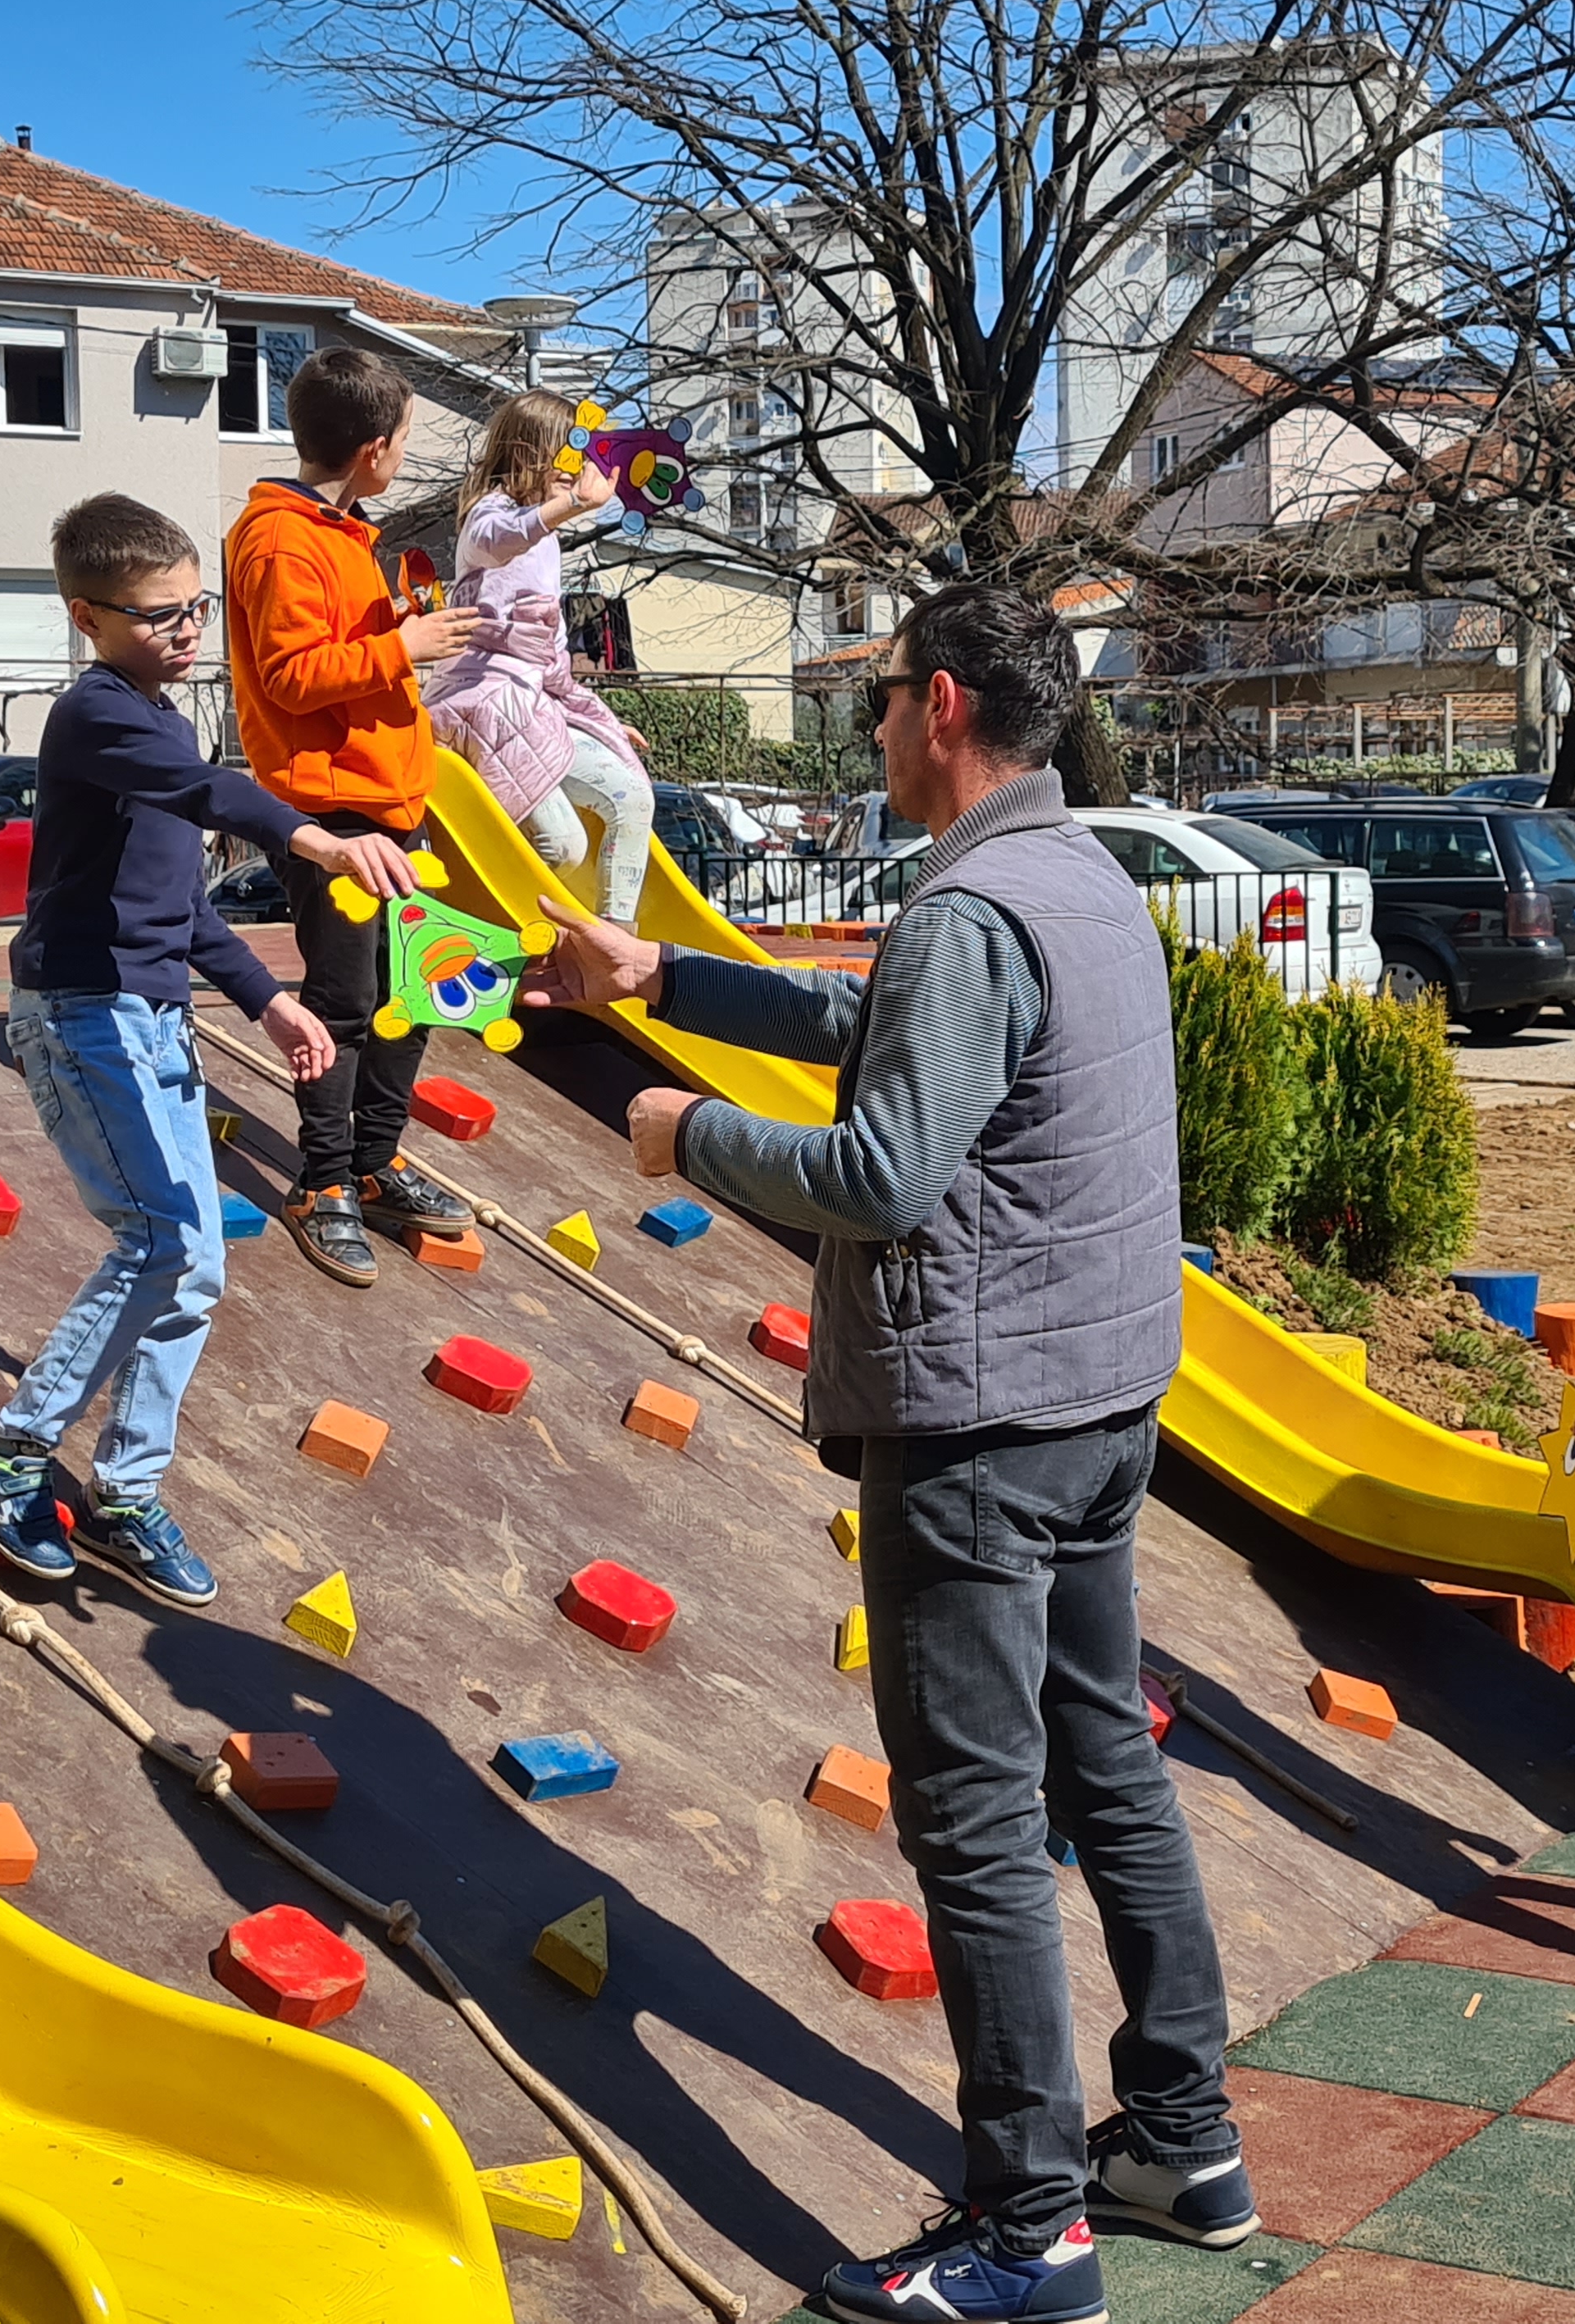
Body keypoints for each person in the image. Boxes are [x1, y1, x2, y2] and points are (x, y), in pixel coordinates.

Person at [521, 584, 1251, 2324]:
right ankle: (1184, 2139)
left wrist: (687, 1130)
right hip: (1098, 1404)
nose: (868, 737)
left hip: (979, 1428)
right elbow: (902, 1039)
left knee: (977, 1818)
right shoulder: (1078, 877)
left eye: (874, 706)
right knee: (1103, 1761)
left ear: (938, 706)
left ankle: (1029, 2229)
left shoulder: (967, 906)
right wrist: (665, 974)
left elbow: (881, 1172)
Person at [0, 492, 413, 1606]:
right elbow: (215, 792)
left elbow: (181, 905)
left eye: (196, 609)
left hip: (154, 1016)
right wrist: (313, 839)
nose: (187, 631)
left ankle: (123, 1493)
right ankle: (11, 1452)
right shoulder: (97, 716)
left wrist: (269, 1003)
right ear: (88, 617)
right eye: (159, 616)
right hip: (84, 1013)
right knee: (158, 1239)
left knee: (195, 1263)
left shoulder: (160, 724)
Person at [223, 347, 485, 1287]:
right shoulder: (278, 539)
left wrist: (398, 632)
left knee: (411, 989)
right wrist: (403, 646)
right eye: (405, 439)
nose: (404, 455)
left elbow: (344, 655)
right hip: (330, 812)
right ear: (374, 450)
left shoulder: (342, 531)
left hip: (388, 801)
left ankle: (373, 1162)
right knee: (342, 1002)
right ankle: (323, 1180)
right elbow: (293, 677)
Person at [426, 391, 658, 921]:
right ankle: (475, 915)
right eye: (569, 451)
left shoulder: (548, 543)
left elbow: (552, 661)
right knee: (564, 846)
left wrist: (601, 720)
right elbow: (501, 539)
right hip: (482, 704)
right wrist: (570, 504)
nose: (577, 467)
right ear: (530, 453)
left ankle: (615, 938)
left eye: (583, 453)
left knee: (632, 796)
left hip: (529, 706)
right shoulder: (490, 516)